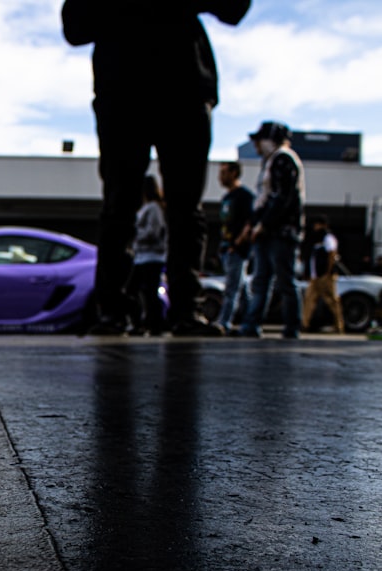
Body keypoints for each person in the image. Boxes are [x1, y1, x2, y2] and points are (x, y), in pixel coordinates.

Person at [61, 0, 250, 336]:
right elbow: (74, 27)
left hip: (172, 85)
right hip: (133, 86)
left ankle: (175, 310)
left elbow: (234, 7)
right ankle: (120, 310)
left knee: (177, 205)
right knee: (127, 205)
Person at [235, 121, 305, 339]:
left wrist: (262, 224)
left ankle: (291, 327)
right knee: (262, 279)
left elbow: (282, 198)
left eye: (259, 140)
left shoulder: (284, 158)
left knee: (283, 280)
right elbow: (267, 198)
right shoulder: (272, 161)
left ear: (269, 140)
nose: (256, 145)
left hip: (282, 231)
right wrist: (255, 224)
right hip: (269, 231)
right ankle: (252, 323)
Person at [214, 161, 254, 333]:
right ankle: (251, 322)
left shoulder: (244, 196)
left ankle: (224, 322)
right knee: (242, 289)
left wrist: (238, 243)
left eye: (224, 172)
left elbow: (250, 221)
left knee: (231, 288)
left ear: (234, 173)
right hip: (226, 248)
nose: (220, 177)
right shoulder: (226, 198)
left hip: (237, 250)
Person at [125, 175, 168, 336]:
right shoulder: (149, 208)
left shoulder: (153, 208)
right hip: (143, 257)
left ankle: (151, 324)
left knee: (145, 291)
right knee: (140, 291)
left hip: (152, 257)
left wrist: (137, 235)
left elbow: (153, 232)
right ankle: (144, 323)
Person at [301, 214, 344, 334]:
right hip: (316, 277)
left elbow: (331, 254)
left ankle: (338, 325)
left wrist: (328, 272)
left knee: (331, 301)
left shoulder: (327, 238)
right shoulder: (317, 239)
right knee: (309, 300)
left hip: (325, 276)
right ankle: (305, 324)